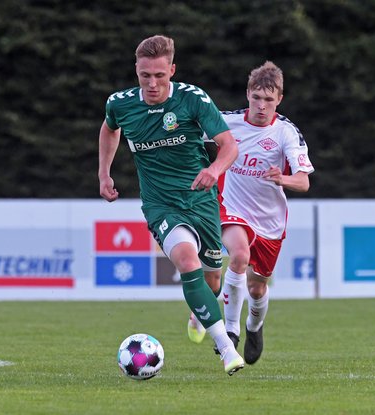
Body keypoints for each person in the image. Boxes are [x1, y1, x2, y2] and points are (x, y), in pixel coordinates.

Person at [98, 35, 244, 375]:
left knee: (212, 280)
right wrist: (104, 173)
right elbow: (109, 129)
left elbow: (229, 146)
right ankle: (227, 350)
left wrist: (214, 169)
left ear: (172, 71)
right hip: (161, 205)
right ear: (136, 70)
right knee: (187, 262)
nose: (152, 83)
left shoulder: (193, 99)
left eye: (159, 76)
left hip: (201, 200)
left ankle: (198, 312)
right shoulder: (120, 104)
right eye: (145, 75)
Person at [192, 61, 314, 364]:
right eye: (256, 97)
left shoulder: (286, 132)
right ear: (248, 94)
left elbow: (303, 181)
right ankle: (231, 331)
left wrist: (282, 178)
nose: (261, 105)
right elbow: (188, 132)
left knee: (257, 288)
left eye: (268, 99)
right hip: (232, 207)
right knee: (239, 256)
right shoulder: (227, 122)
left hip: (270, 221)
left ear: (279, 99)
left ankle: (254, 327)